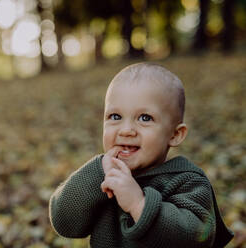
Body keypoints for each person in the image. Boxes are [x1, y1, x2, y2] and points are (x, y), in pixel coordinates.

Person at [49, 63, 234, 248]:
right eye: (115, 116)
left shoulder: (187, 181)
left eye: (145, 118)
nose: (126, 130)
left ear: (175, 135)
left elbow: (195, 240)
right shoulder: (102, 177)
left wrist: (139, 205)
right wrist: (98, 172)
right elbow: (64, 223)